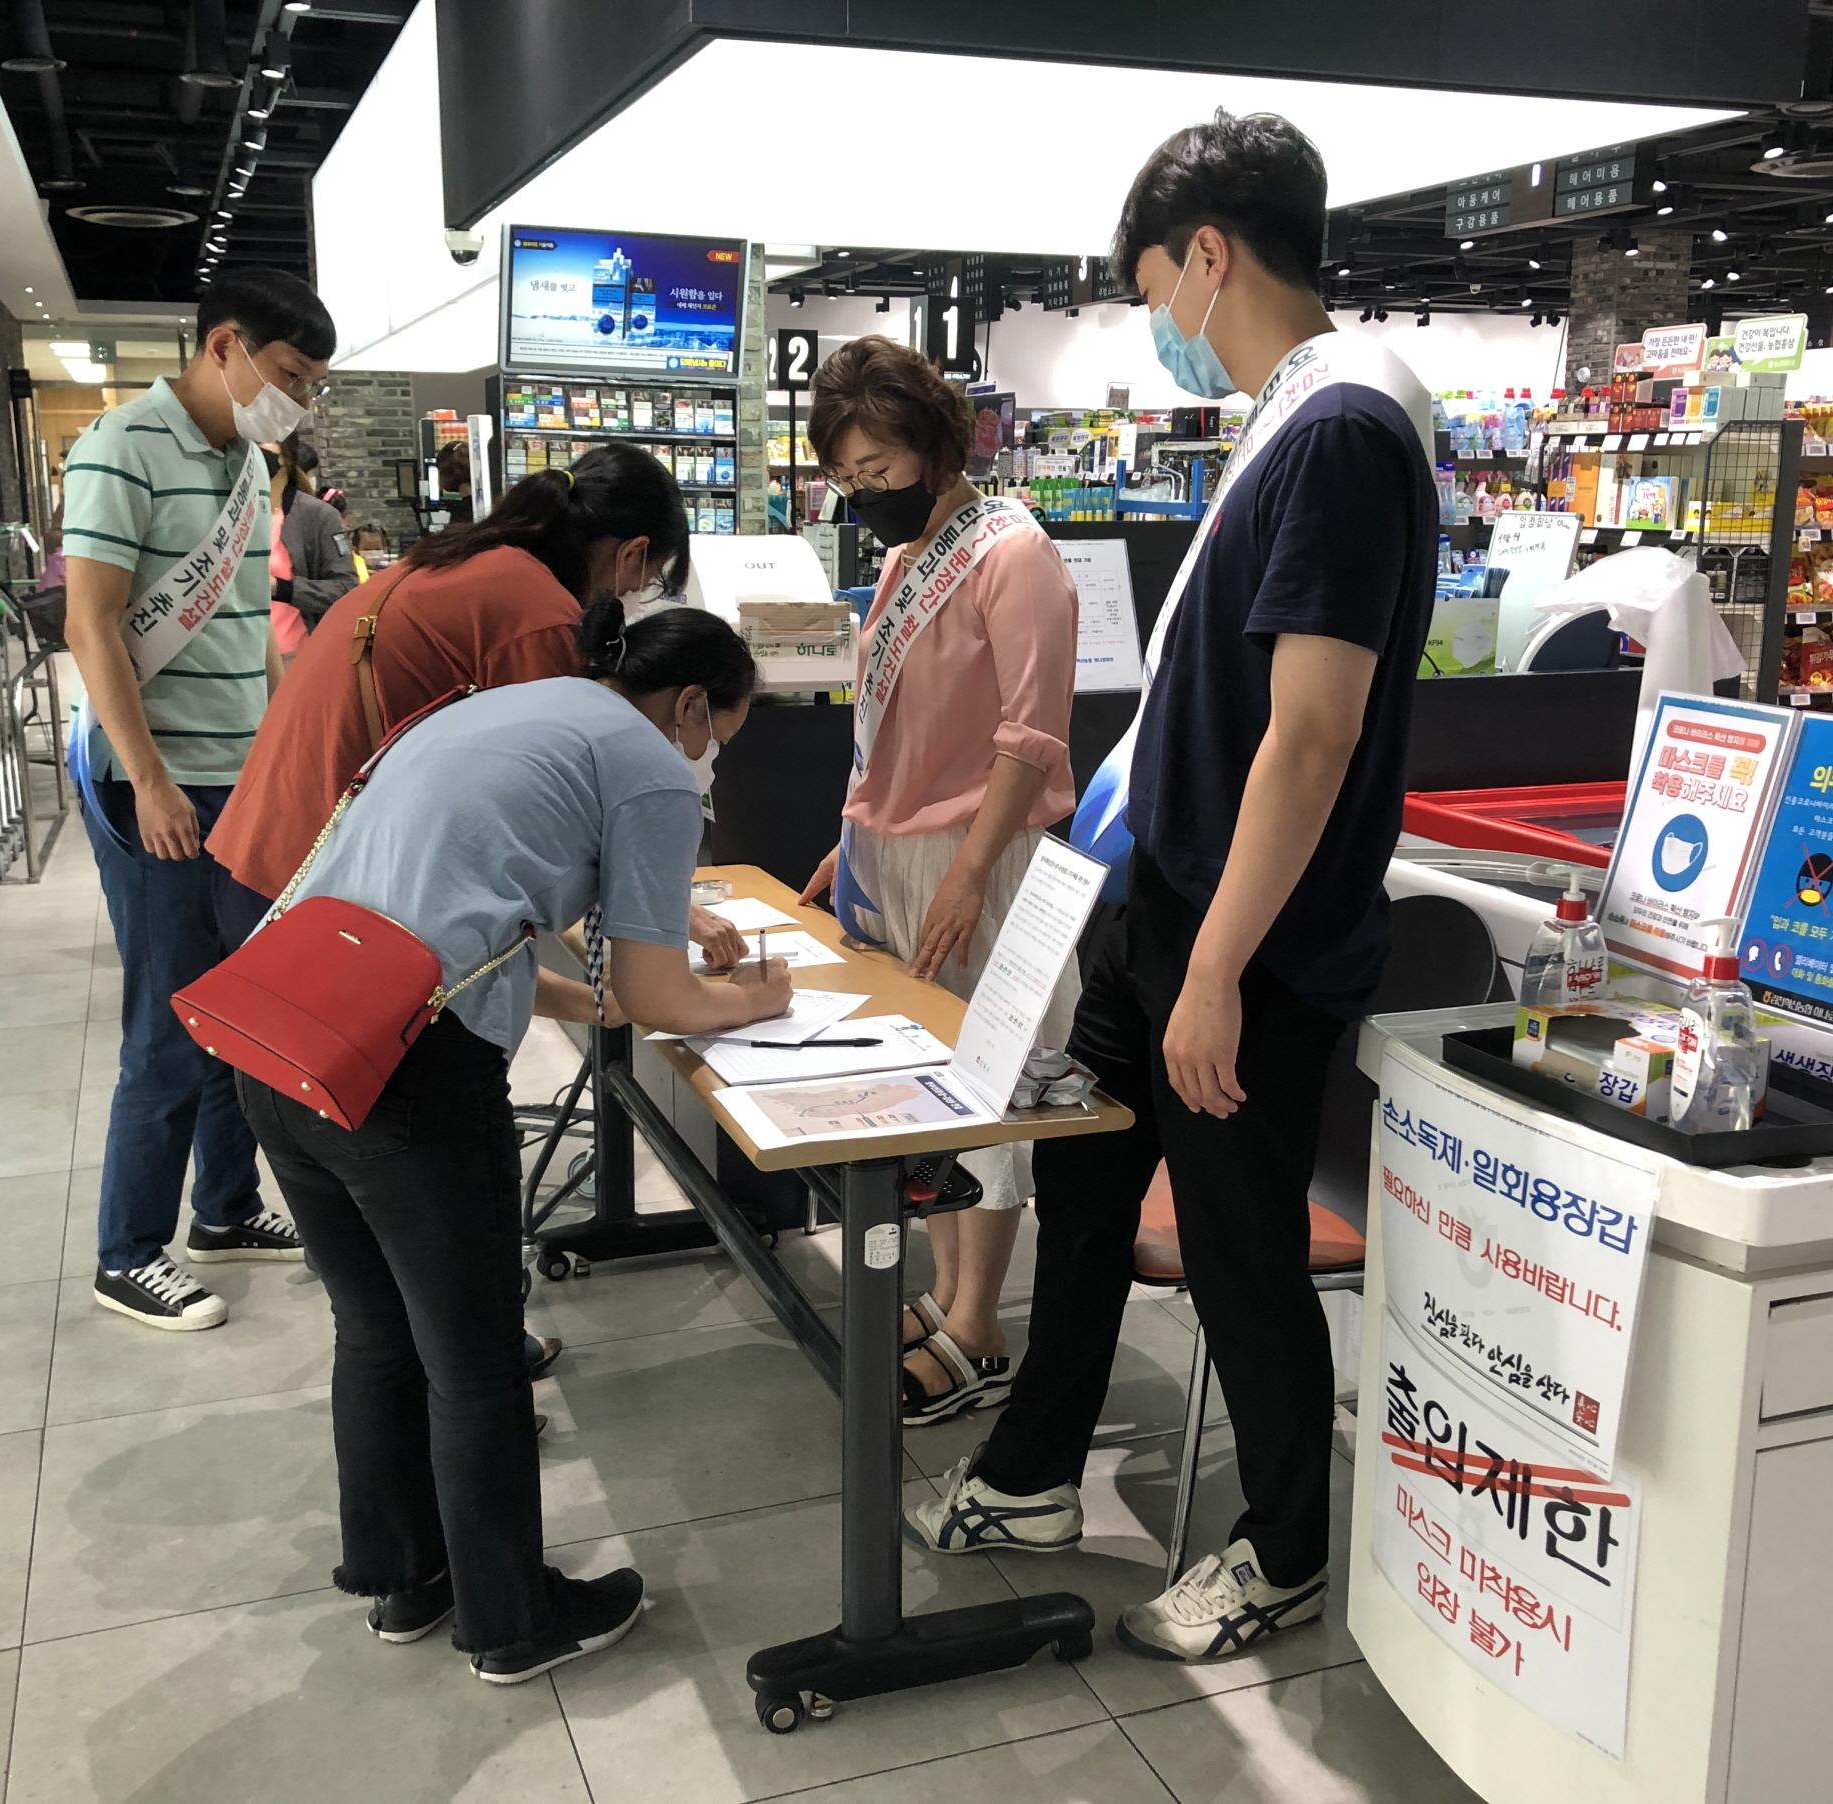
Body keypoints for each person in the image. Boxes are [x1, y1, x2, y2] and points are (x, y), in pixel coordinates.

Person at [909, 111, 1438, 1664]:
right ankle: (1032, 1474)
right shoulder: (1294, 416)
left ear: (1208, 255)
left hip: (1242, 945)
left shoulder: (1343, 428)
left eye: (1153, 292)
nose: (1158, 328)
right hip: (1163, 910)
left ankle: (1284, 1548)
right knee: (1086, 1189)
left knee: (1234, 1245)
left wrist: (1213, 969)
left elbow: (1314, 731)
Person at [236, 601, 792, 1679]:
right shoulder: (652, 766)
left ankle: (407, 1582)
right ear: (690, 706)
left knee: (375, 1332)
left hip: (286, 1034)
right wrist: (757, 1000)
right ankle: (510, 1620)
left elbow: (451, 920)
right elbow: (659, 994)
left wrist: (602, 995)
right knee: (475, 1359)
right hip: (410, 1080)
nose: (710, 760)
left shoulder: (508, 708)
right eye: (718, 735)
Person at [795, 336, 1079, 1427]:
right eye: (847, 478)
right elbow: (892, 725)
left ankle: (979, 1324)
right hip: (899, 857)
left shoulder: (1013, 553)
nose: (865, 494)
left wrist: (964, 872)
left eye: (878, 469)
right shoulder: (907, 557)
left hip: (983, 862)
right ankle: (947, 1290)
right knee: (931, 1090)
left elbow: (1029, 737)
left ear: (934, 445)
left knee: (990, 1088)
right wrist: (855, 835)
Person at [62, 265, 336, 1332]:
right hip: (162, 787)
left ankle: (224, 1209)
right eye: (289, 375)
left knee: (239, 1013)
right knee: (168, 1026)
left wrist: (287, 757)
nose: (297, 400)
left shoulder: (246, 467)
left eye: (311, 384)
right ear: (224, 346)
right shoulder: (121, 445)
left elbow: (250, 627)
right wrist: (150, 781)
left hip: (244, 781)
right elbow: (91, 625)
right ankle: (128, 1252)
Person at [209, 442, 748, 969]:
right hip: (321, 881)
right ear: (632, 553)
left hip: (271, 844)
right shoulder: (536, 614)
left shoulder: (473, 558)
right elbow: (553, 818)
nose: (632, 596)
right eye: (647, 580)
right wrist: (665, 912)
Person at [267, 439, 358, 654]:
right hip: (233, 660)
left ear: (286, 457)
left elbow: (346, 588)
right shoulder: (225, 511)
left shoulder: (317, 516)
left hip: (296, 655)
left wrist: (279, 588)